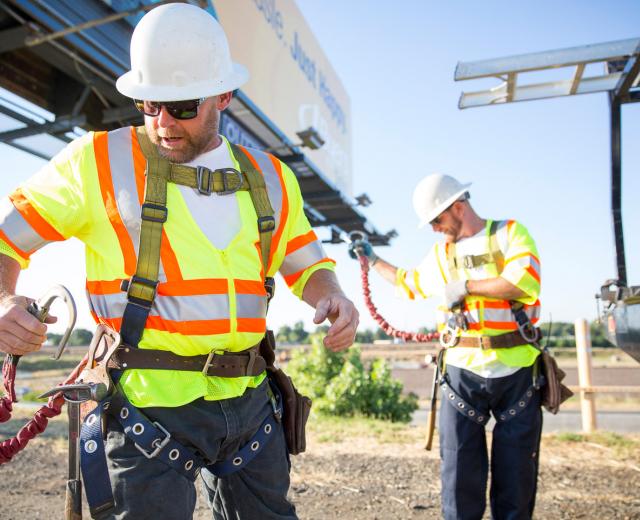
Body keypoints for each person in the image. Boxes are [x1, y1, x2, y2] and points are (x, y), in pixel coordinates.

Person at [0, 4, 358, 519]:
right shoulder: (98, 162)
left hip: (250, 401)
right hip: (145, 405)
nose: (162, 123)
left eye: (183, 106)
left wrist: (332, 295)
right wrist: (6, 299)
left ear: (224, 96)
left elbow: (306, 263)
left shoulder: (272, 177)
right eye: (149, 105)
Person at [350, 173, 542, 520]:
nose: (436, 228)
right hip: (461, 375)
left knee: (516, 480)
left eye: (437, 220)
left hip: (517, 373)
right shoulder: (441, 254)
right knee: (457, 481)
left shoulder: (510, 234)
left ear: (458, 207)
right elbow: (408, 283)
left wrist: (467, 286)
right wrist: (373, 259)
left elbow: (521, 281)